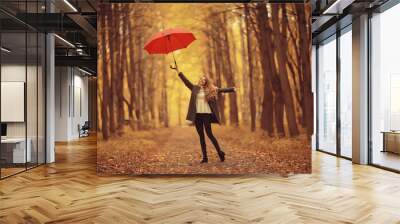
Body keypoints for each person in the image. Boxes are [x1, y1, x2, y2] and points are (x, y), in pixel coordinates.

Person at [171, 65, 236, 163]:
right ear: (199, 81)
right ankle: (205, 158)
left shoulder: (211, 89)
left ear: (206, 82)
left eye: (204, 80)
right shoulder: (194, 89)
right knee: (201, 136)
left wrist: (232, 89)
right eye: (201, 80)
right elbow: (186, 81)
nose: (202, 81)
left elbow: (222, 90)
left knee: (209, 134)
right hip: (198, 116)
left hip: (207, 115)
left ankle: (220, 152)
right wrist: (178, 71)